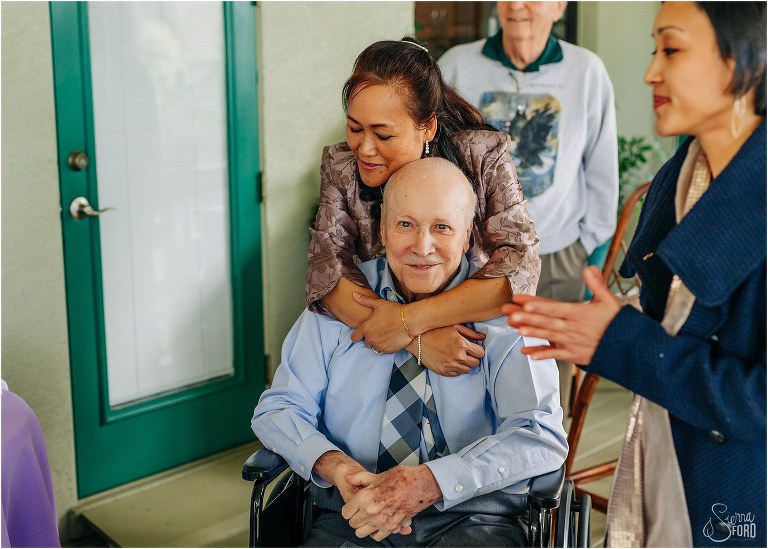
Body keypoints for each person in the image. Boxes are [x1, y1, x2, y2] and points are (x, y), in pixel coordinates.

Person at [505, 2, 766, 546]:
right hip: (669, 456)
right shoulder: (684, 177)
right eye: (654, 50)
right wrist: (617, 323)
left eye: (670, 49)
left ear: (745, 59)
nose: (651, 72)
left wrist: (623, 343)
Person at [255, 158, 567, 547]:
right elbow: (279, 407)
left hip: (472, 516)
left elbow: (540, 434)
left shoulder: (508, 315)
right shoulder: (340, 302)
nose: (423, 247)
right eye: (405, 224)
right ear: (383, 227)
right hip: (354, 511)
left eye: (442, 227)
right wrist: (334, 466)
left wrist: (431, 482)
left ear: (467, 235)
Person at [307, 37, 541, 378]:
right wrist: (414, 339)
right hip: (375, 347)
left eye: (383, 136)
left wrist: (413, 321)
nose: (365, 149)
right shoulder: (341, 165)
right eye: (355, 128)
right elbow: (326, 271)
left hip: (470, 343)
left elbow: (521, 266)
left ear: (427, 125)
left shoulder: (481, 156)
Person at [438, 1, 619, 409]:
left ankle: (553, 462)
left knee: (552, 372)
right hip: (477, 255)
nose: (517, 6)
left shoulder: (586, 71)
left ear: (559, 6)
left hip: (558, 250)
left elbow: (602, 168)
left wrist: (588, 247)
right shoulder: (457, 65)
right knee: (477, 363)